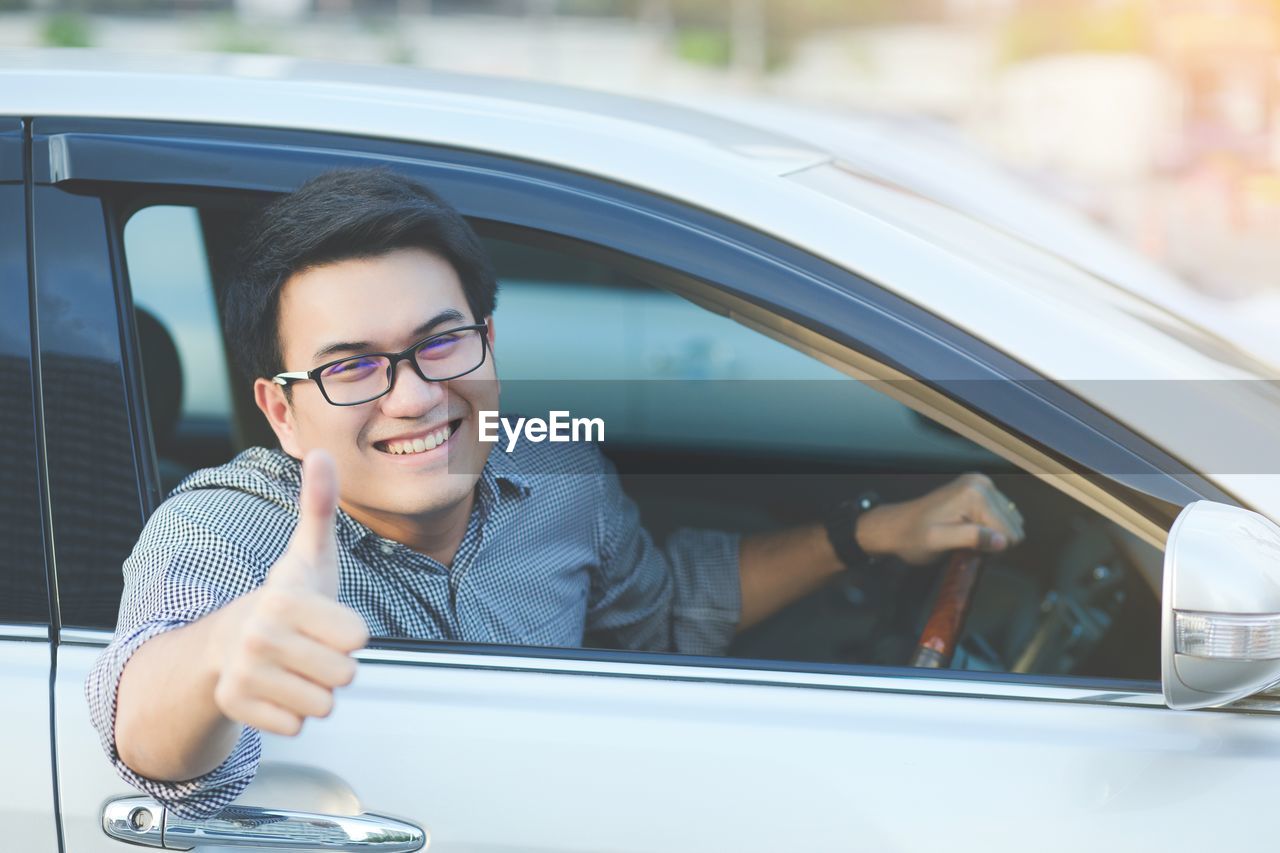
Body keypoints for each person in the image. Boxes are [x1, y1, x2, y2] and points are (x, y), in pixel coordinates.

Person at [87, 168, 1025, 818]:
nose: (414, 394)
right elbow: (143, 733)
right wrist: (222, 654)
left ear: (489, 343)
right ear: (281, 413)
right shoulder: (227, 534)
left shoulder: (561, 477)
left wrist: (872, 532)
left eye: (441, 343)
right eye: (353, 366)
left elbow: (662, 609)